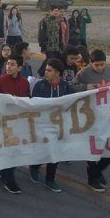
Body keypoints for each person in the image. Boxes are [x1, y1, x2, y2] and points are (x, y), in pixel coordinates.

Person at [73, 49, 110, 192]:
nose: (100, 67)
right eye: (97, 65)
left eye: (102, 64)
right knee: (93, 149)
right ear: (91, 63)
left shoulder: (109, 71)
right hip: (90, 116)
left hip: (107, 115)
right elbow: (71, 88)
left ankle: (97, 172)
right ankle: (92, 178)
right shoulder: (83, 73)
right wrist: (85, 87)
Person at [29, 58, 75, 192]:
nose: (46, 72)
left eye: (49, 70)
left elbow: (74, 101)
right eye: (46, 69)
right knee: (42, 151)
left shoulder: (65, 86)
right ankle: (35, 167)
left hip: (58, 127)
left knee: (55, 153)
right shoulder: (40, 86)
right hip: (42, 126)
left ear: (57, 73)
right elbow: (34, 105)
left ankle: (50, 179)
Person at [0, 54, 30, 194]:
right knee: (8, 151)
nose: (8, 66)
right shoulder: (0, 81)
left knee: (15, 152)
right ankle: (9, 180)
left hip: (19, 122)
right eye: (7, 63)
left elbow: (27, 102)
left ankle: (5, 173)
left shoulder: (25, 83)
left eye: (12, 64)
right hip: (3, 123)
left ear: (20, 68)